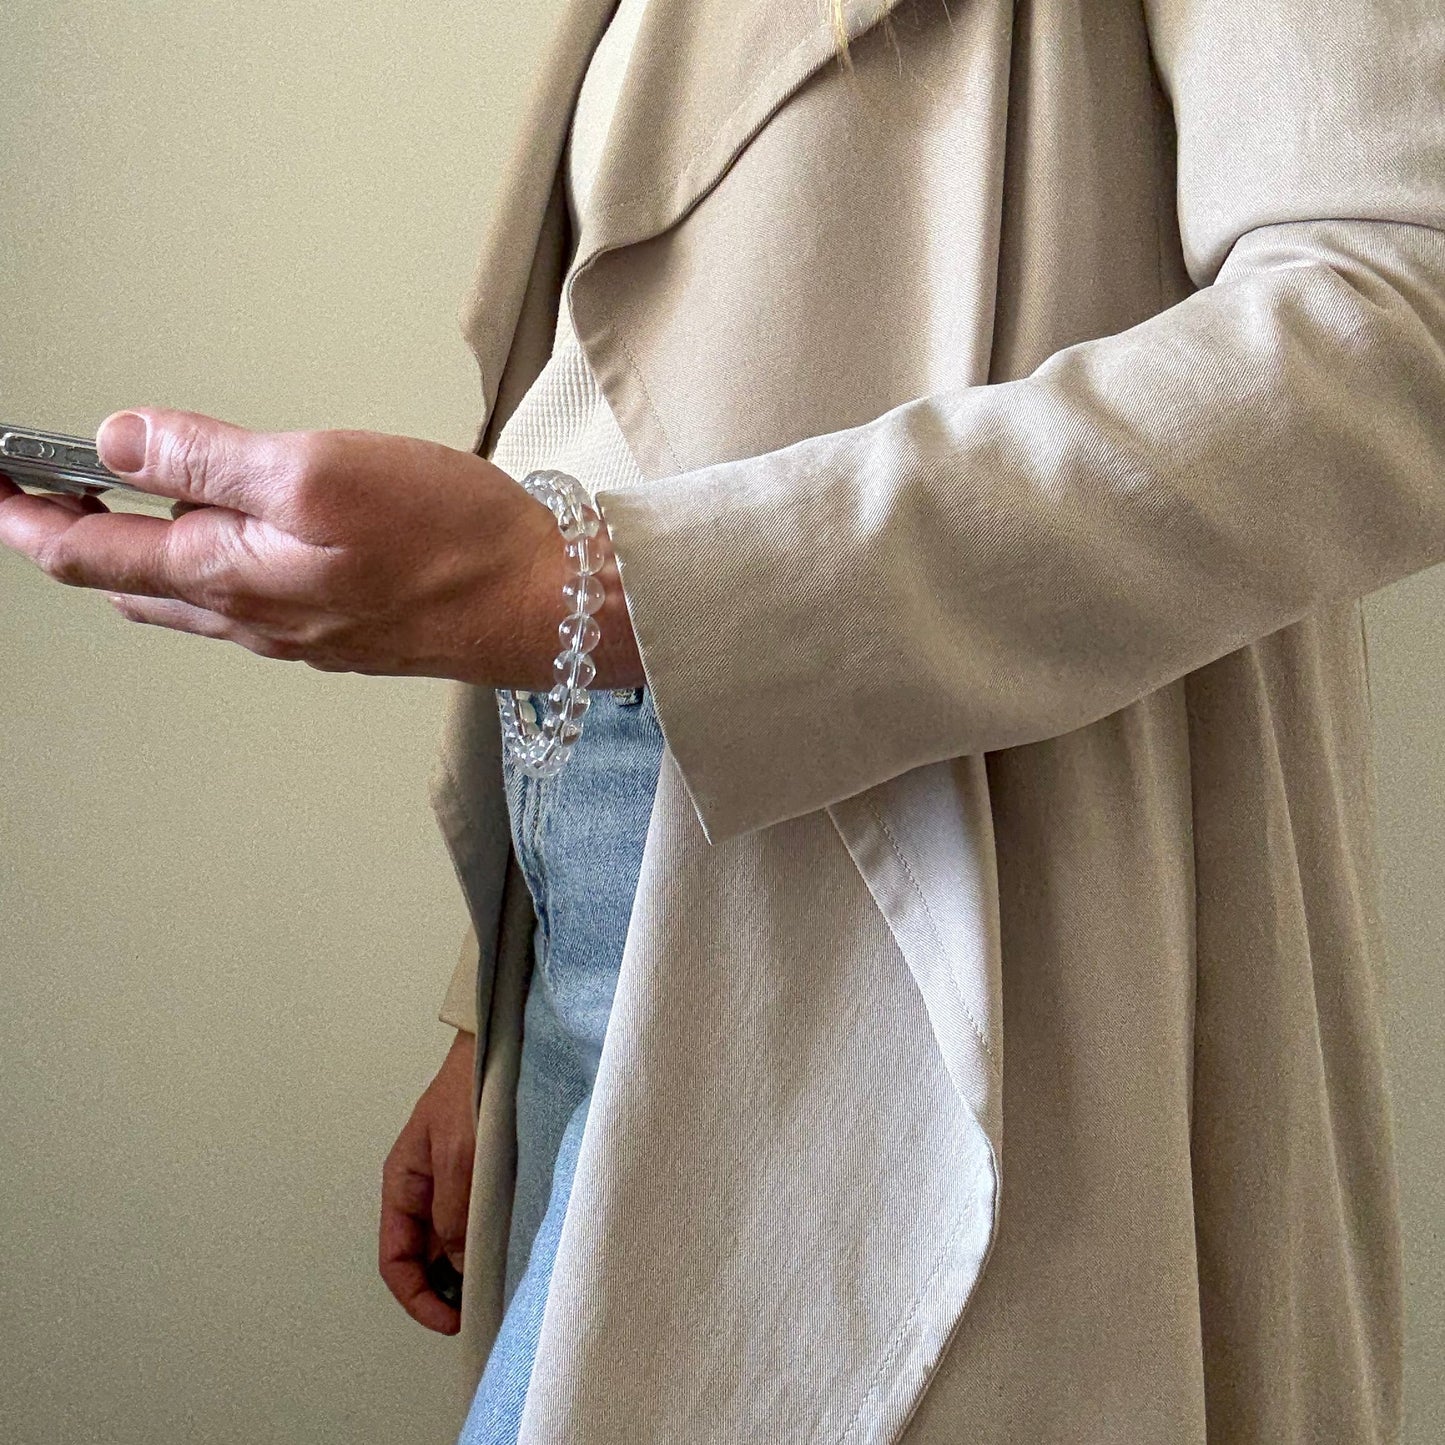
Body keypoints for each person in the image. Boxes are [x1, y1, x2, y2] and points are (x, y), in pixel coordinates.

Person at [3, 0, 1443, 1440]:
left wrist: (601, 586)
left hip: (942, 896)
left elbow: (1397, 321)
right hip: (590, 871)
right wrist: (496, 1001)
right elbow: (643, 370)